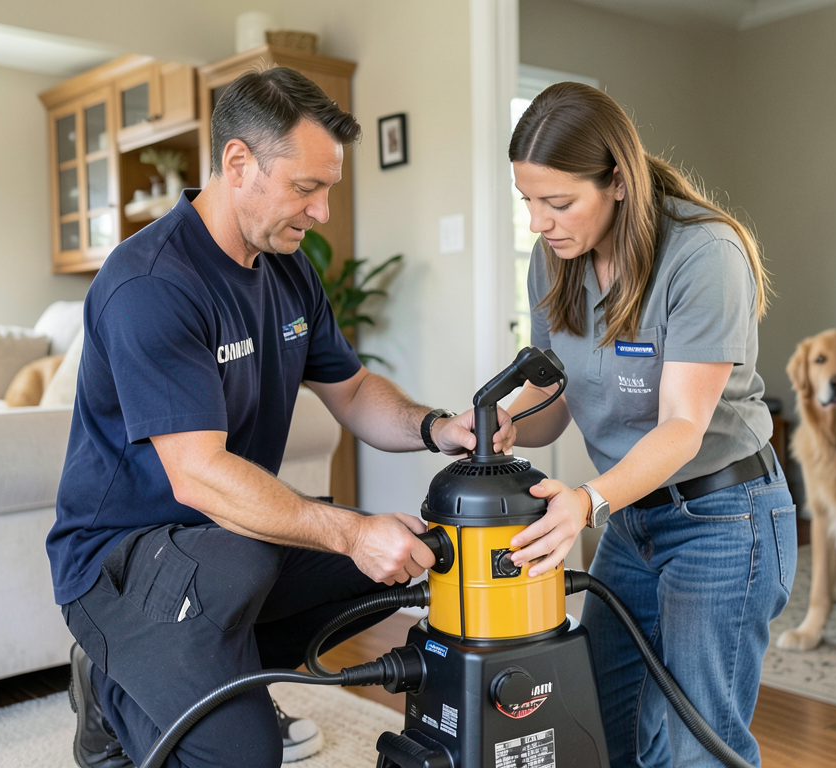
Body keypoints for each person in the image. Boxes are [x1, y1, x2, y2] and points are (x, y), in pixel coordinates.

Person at [46, 67, 514, 768]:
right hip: (118, 559)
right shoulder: (151, 284)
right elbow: (199, 476)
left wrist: (437, 427)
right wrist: (350, 531)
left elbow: (352, 392)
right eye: (307, 188)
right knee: (238, 757)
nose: (322, 212)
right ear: (239, 163)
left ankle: (211, 675)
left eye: (328, 188)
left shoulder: (286, 268)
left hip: (225, 548)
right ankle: (114, 683)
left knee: (391, 565)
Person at [504, 81, 796, 767]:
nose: (539, 224)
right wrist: (504, 422)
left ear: (618, 182)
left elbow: (682, 426)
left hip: (723, 517)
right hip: (632, 518)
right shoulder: (558, 260)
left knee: (701, 744)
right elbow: (557, 400)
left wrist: (586, 501)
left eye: (557, 202)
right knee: (605, 725)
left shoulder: (703, 253)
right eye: (527, 203)